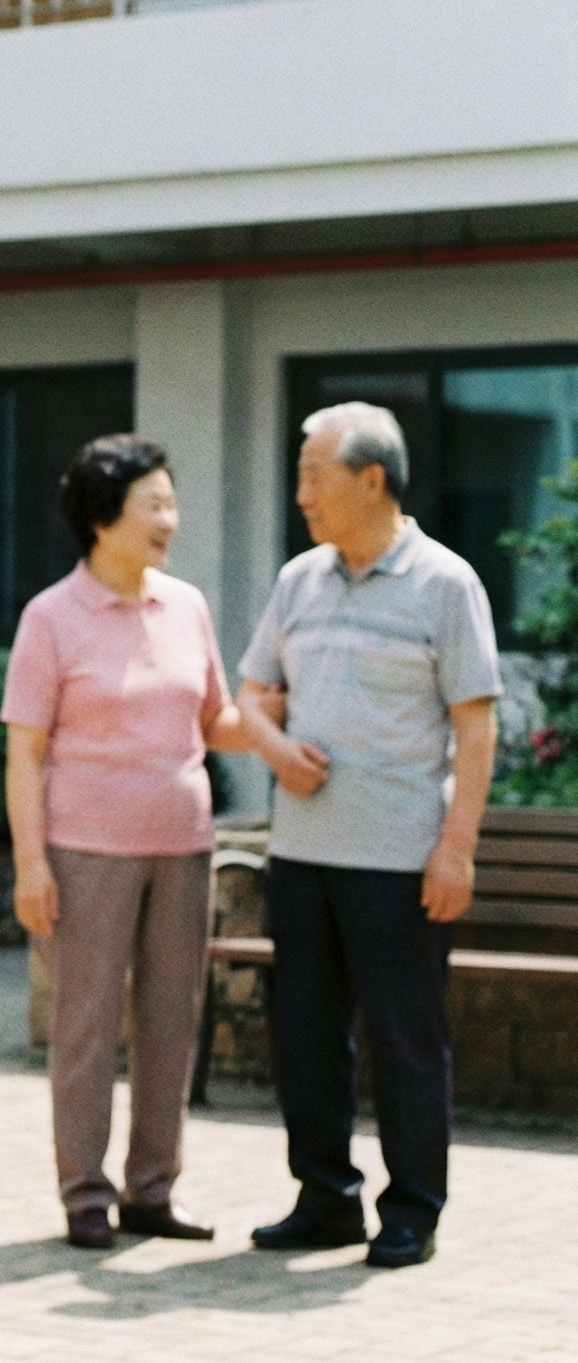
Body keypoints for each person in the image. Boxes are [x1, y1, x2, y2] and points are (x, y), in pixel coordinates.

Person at [236, 402, 498, 1271]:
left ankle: (412, 1209)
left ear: (372, 480)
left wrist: (456, 847)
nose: (302, 491)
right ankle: (325, 1200)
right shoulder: (298, 581)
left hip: (398, 861)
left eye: (316, 474)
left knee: (404, 1041)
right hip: (303, 856)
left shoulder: (446, 584)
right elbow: (251, 693)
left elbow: (475, 726)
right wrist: (275, 748)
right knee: (305, 1036)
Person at [3, 435, 255, 1251]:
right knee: (85, 1025)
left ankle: (152, 1190)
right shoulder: (50, 616)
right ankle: (84, 1192)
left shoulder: (186, 606)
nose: (170, 521)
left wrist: (295, 725)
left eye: (170, 504)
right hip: (84, 851)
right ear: (103, 514)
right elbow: (25, 752)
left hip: (183, 846)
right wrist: (31, 863)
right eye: (156, 503)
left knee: (172, 1021)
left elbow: (217, 718)